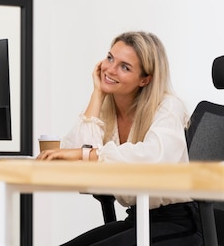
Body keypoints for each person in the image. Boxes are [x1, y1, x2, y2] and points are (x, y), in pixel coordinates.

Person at [37, 31, 202, 246]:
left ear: (145, 79)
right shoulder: (107, 111)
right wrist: (97, 94)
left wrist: (87, 154)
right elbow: (77, 166)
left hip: (178, 224)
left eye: (125, 67)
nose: (110, 69)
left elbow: (153, 158)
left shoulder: (168, 107)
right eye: (110, 58)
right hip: (136, 219)